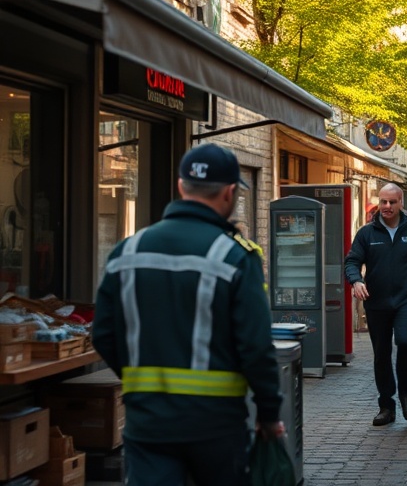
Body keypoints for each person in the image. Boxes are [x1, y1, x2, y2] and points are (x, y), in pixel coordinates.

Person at [92, 143, 285, 486]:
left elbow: (103, 334)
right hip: (215, 427)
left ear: (181, 187)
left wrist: (140, 379)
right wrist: (269, 414)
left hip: (147, 421)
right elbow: (256, 347)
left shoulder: (128, 251)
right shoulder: (235, 256)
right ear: (229, 193)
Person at [345, 183, 407, 425]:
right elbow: (352, 262)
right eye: (383, 202)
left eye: (391, 202)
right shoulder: (367, 233)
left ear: (400, 204)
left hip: (405, 300)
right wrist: (355, 281)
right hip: (376, 303)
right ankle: (386, 405)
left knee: (405, 343)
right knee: (381, 354)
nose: (386, 206)